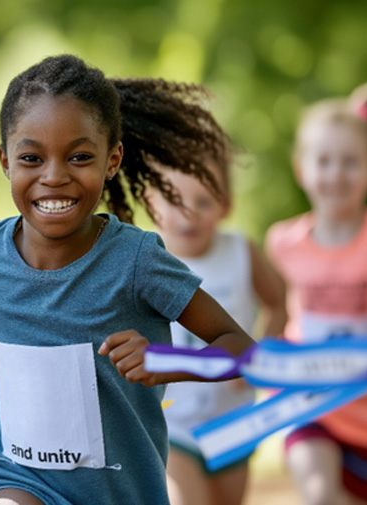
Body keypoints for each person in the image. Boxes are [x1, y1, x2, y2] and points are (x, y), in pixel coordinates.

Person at [0, 54, 256, 505]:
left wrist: (167, 361)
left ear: (112, 160)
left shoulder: (136, 261)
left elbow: (240, 347)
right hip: (13, 476)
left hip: (120, 490)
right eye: (31, 157)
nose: (54, 176)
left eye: (79, 157)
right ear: (5, 161)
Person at [144, 139, 286, 503]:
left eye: (203, 201)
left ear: (225, 204)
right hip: (172, 420)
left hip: (234, 418)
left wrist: (261, 355)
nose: (188, 213)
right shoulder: (145, 260)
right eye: (175, 201)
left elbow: (278, 302)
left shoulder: (241, 251)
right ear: (152, 202)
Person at [265, 98, 367, 504]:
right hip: (312, 407)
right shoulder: (281, 244)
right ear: (301, 169)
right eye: (323, 161)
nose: (335, 174)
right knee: (320, 496)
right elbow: (272, 314)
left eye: (350, 161)